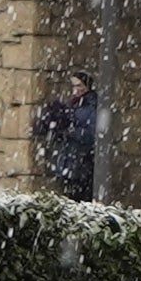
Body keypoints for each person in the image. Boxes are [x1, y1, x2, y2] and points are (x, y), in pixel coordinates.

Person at [32, 70, 99, 198]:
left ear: (87, 86)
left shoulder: (92, 105)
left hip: (82, 162)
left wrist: (70, 131)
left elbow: (92, 134)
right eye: (74, 85)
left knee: (80, 197)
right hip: (69, 162)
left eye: (79, 85)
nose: (76, 89)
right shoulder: (73, 104)